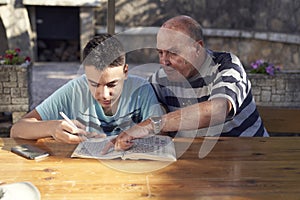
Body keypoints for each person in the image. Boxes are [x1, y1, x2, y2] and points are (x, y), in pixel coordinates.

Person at [111, 15, 269, 151]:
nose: (164, 61)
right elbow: (131, 109)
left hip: (252, 156)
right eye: (160, 52)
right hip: (201, 166)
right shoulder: (160, 79)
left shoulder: (226, 65)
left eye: (173, 53)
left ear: (197, 48)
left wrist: (154, 124)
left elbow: (218, 109)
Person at [10, 34, 163, 143]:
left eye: (112, 84)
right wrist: (51, 128)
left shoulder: (141, 89)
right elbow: (17, 129)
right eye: (94, 84)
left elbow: (162, 131)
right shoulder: (75, 89)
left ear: (125, 71)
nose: (104, 95)